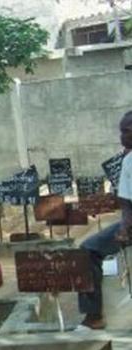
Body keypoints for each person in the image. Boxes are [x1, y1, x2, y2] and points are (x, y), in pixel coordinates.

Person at [76, 111, 132, 330]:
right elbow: (127, 201)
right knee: (88, 249)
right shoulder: (129, 160)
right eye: (121, 131)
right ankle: (93, 315)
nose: (121, 137)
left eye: (126, 132)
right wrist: (126, 226)